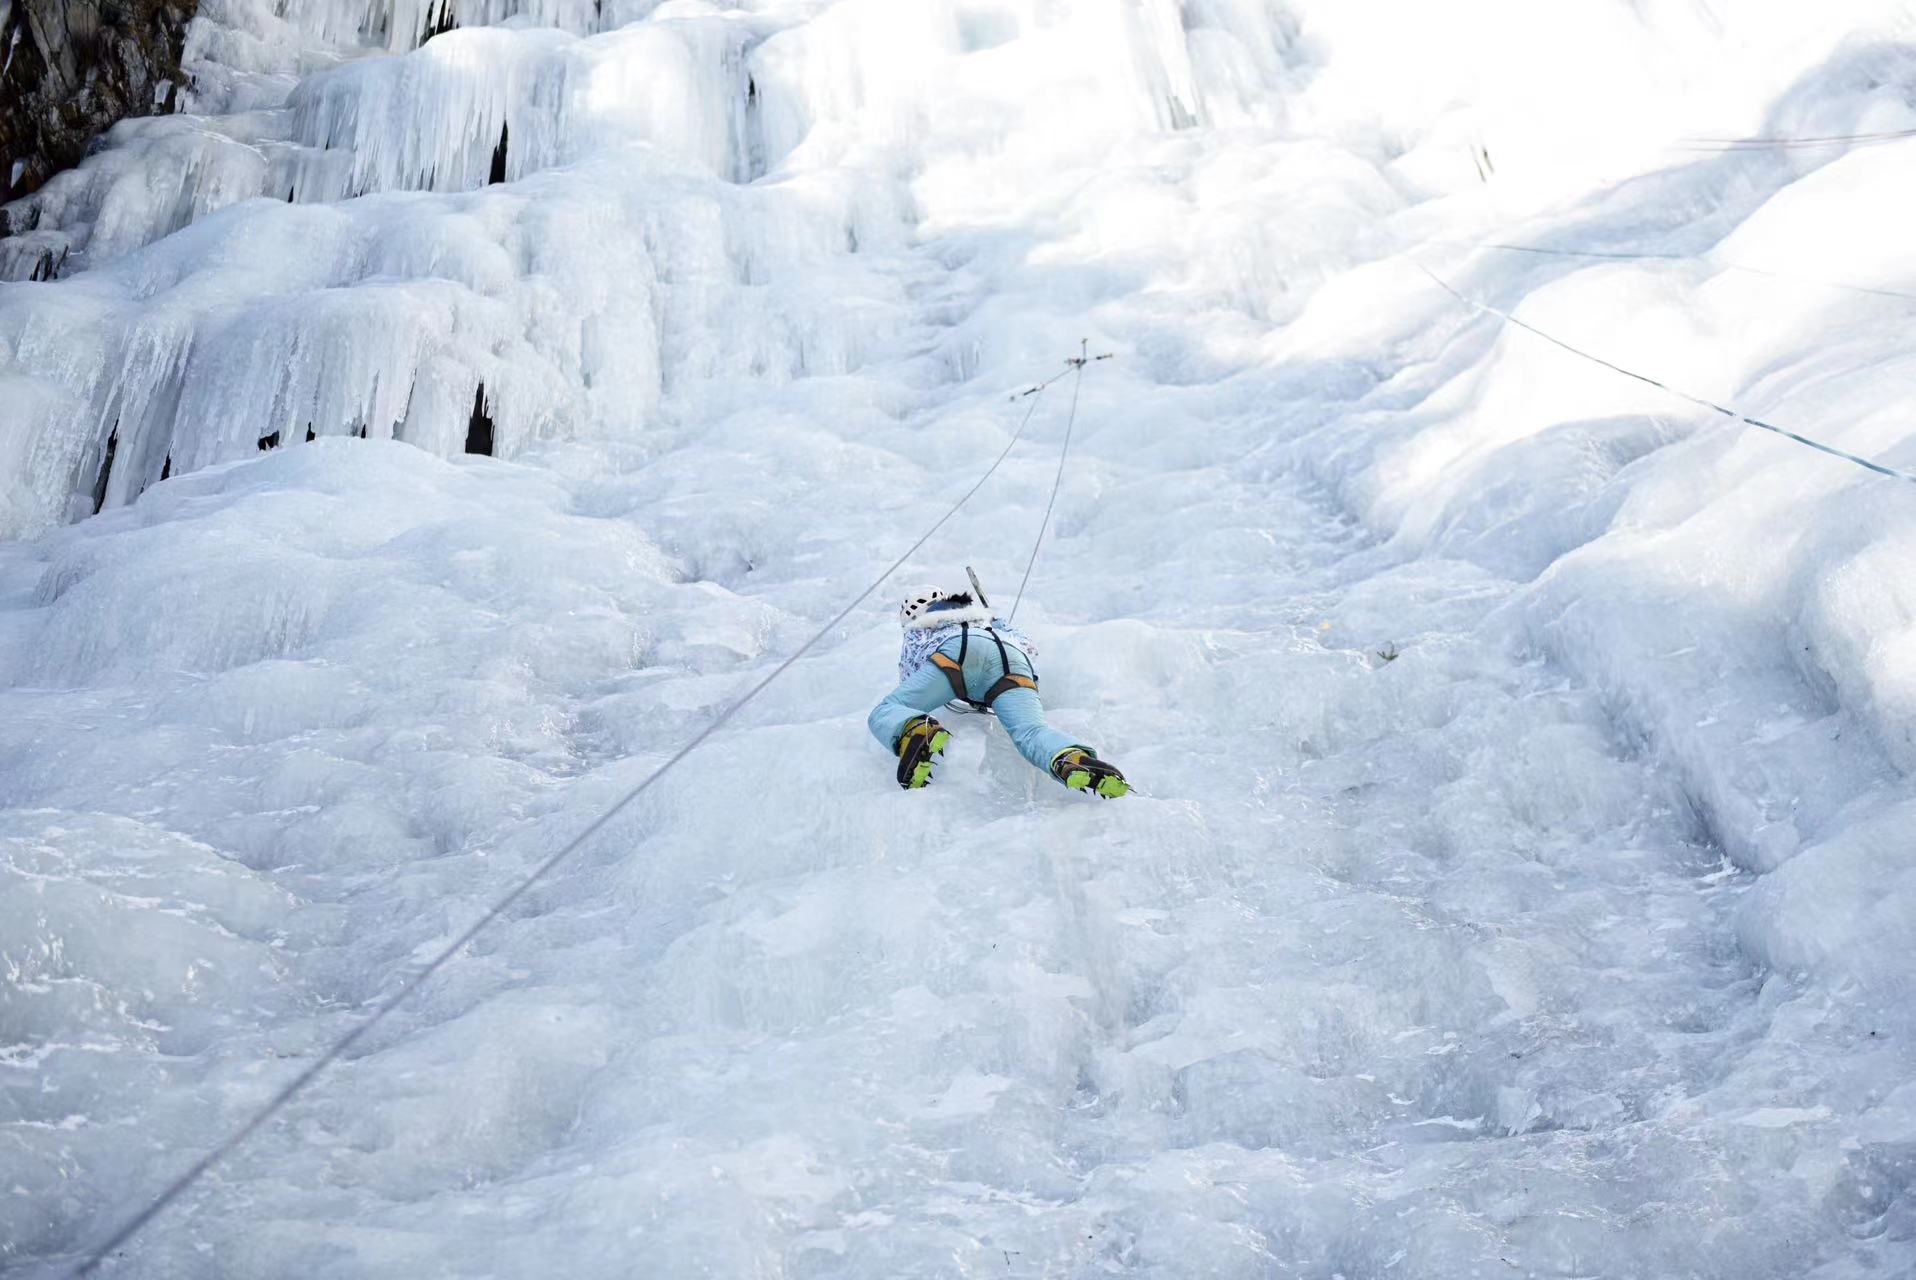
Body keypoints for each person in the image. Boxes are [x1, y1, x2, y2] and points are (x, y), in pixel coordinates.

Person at [868, 586, 1128, 796]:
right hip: (1013, 659)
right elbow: (1029, 646)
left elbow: (910, 674)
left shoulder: (918, 627)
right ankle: (1071, 757)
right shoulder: (986, 618)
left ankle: (916, 729)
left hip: (958, 653)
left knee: (889, 710)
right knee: (1032, 732)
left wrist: (929, 699)